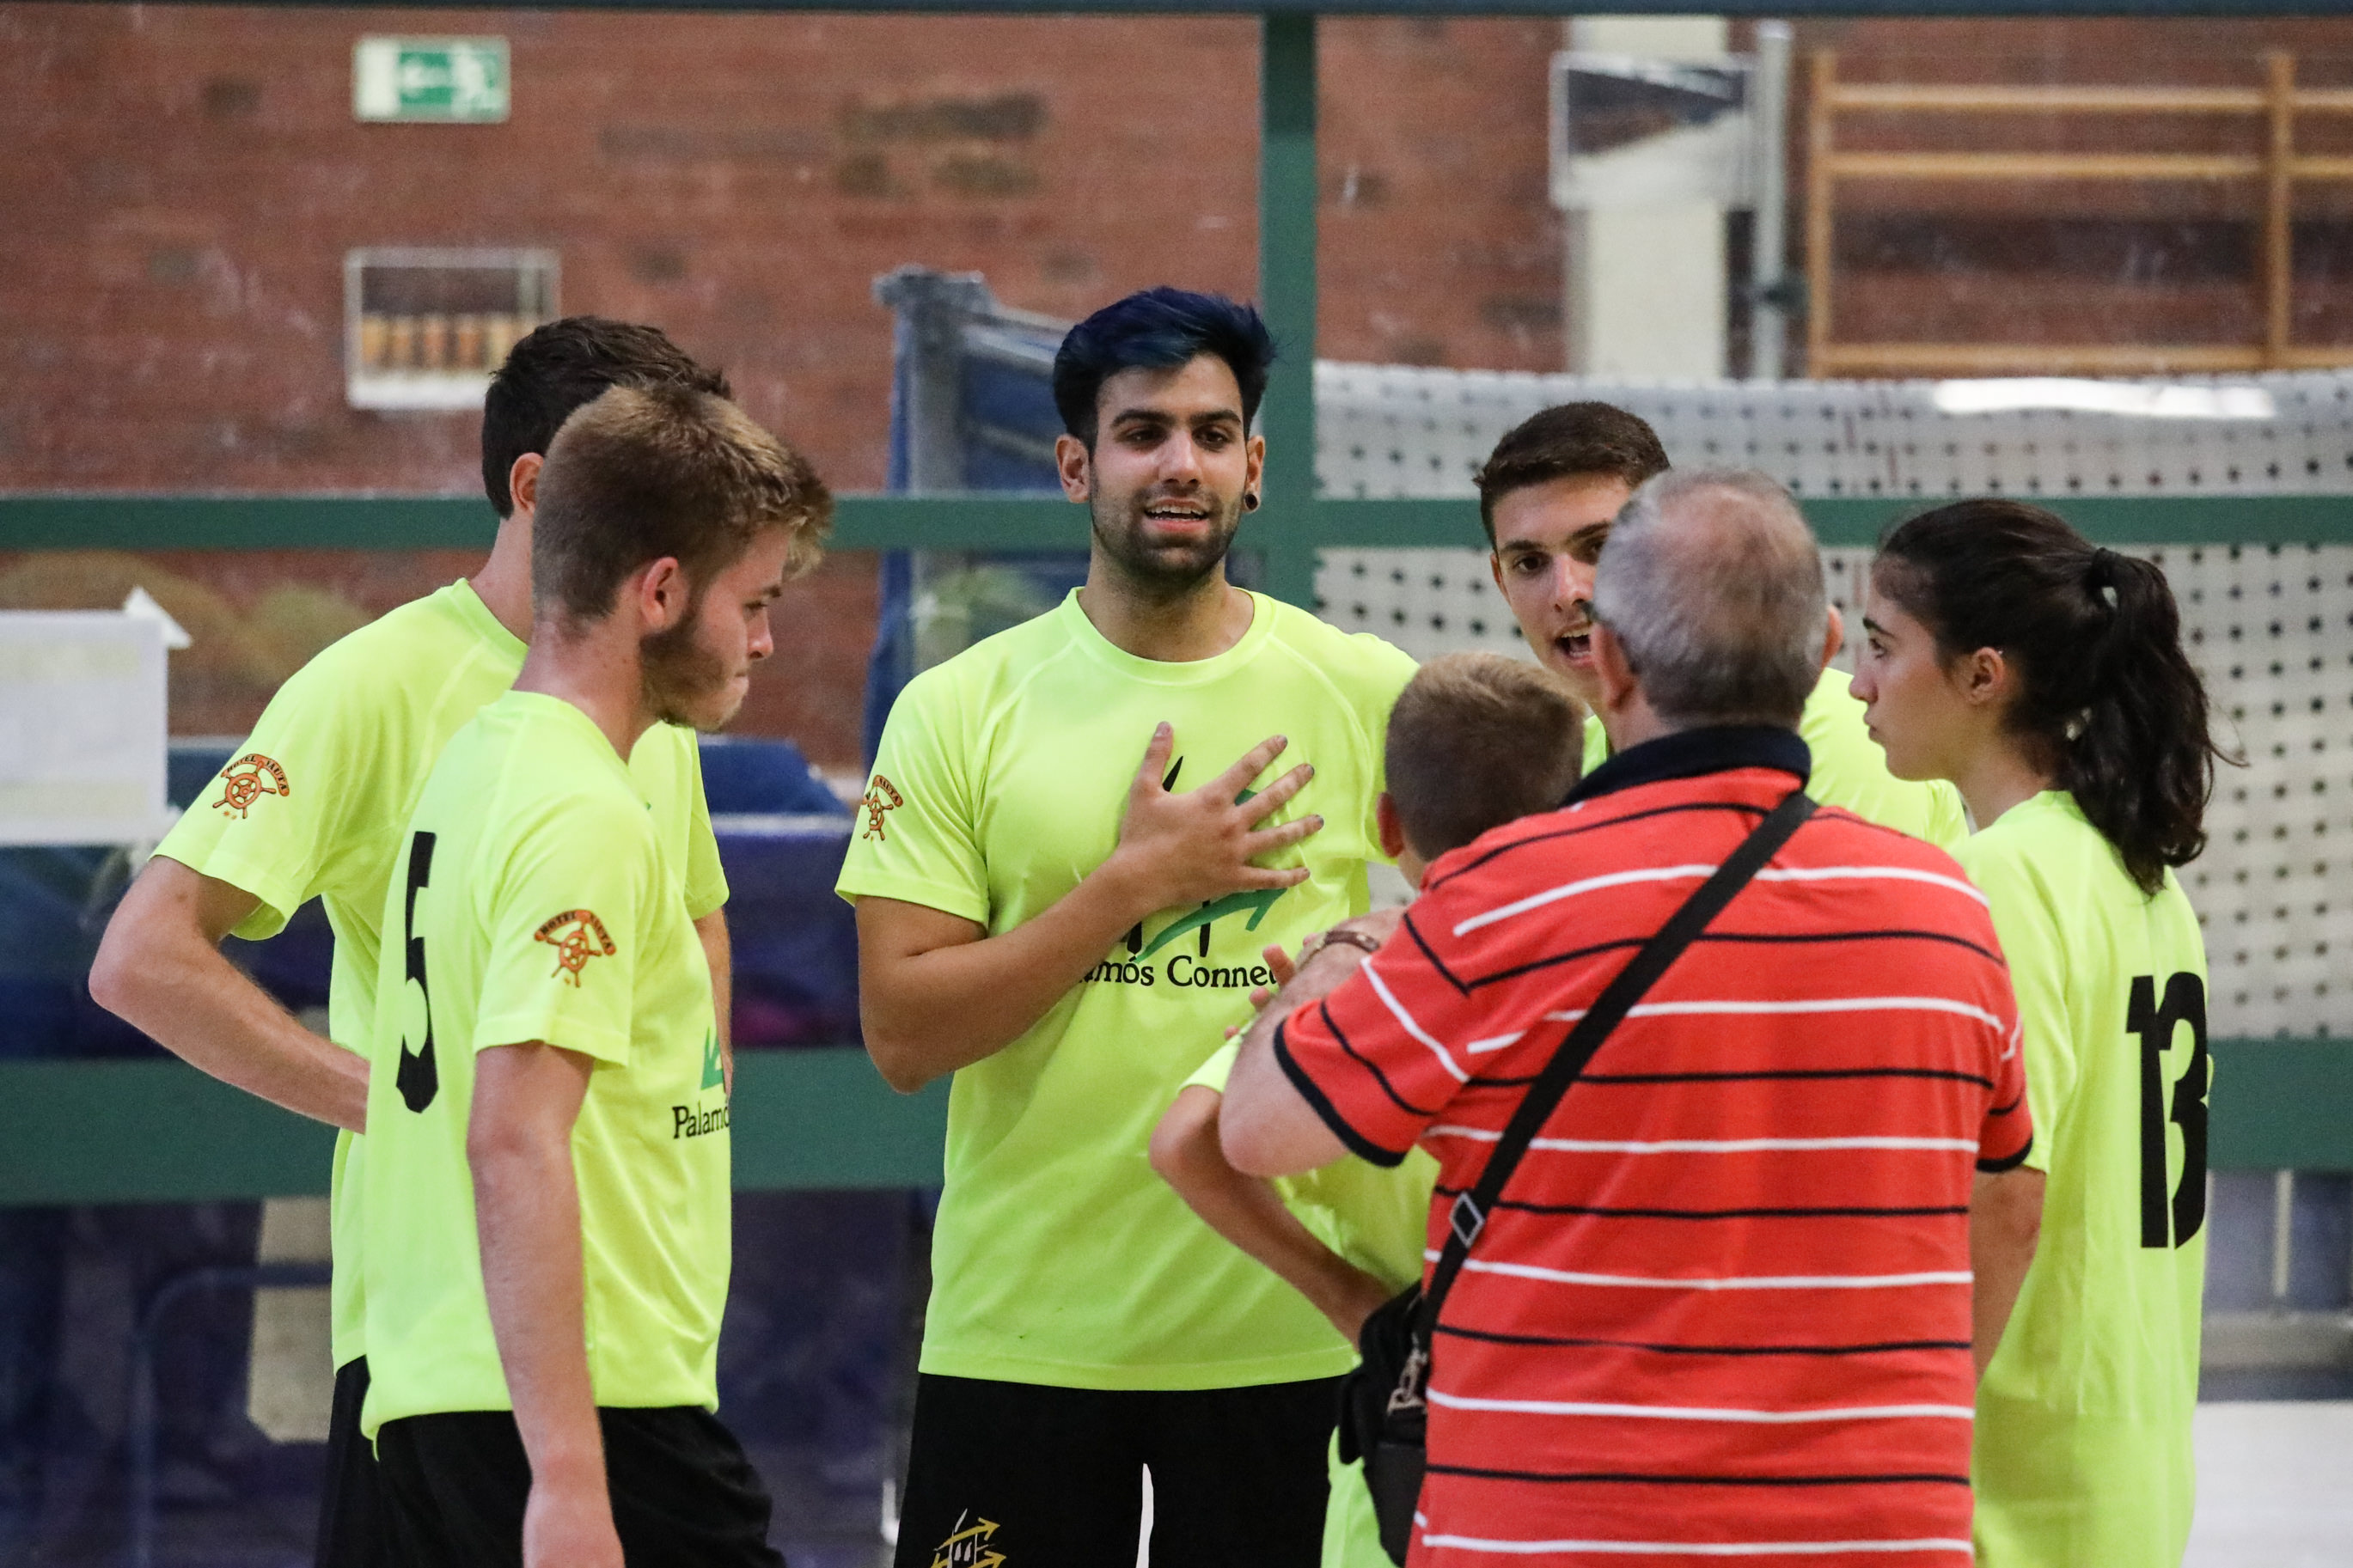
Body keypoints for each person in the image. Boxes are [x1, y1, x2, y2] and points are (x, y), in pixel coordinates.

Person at [1220, 468, 2041, 1564]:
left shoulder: (1501, 900)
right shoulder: (1944, 909)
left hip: (1559, 1534)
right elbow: (2009, 1199)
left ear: (1604, 661)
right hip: (1873, 1533)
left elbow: (1254, 1131)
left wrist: (1332, 960)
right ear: (1820, 650)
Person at [88, 317, 739, 1567]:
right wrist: (404, 1105)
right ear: (538, 486)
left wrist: (680, 1123)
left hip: (626, 1327)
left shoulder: (646, 687)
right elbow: (144, 955)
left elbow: (696, 914)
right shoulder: (373, 685)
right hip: (440, 1343)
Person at [838, 287, 1419, 1565]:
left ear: (1254, 467)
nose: (1180, 465)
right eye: (1142, 433)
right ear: (1074, 466)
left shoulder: (1367, 691)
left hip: (1288, 1334)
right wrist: (1127, 886)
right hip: (1024, 1334)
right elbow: (903, 1034)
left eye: (1211, 434)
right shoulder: (960, 709)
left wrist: (1368, 957)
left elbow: (1499, 935)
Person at [358, 383, 829, 1567]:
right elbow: (513, 1137)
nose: (764, 642)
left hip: (453, 1388)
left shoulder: (478, 762)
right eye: (753, 603)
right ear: (658, 593)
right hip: (588, 1414)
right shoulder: (583, 811)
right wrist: (569, 1481)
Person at [1150, 651, 1586, 1568]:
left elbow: (1185, 1142)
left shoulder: (1353, 990)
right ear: (1574, 816)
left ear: (1387, 824)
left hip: (1409, 1481)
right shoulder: (1627, 976)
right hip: (1593, 1456)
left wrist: (1356, 1303)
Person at [1849, 499, 2221, 1567]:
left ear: (1981, 675)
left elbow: (2006, 1195)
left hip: (2010, 1492)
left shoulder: (1998, 879)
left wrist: (1901, 1450)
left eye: (1881, 647)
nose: (1858, 683)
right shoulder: (2133, 871)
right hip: (2122, 1474)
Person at [1473, 401, 1967, 843]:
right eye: (1530, 564)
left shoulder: (1847, 732)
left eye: (1599, 548)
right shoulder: (1573, 773)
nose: (1567, 592)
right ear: (1500, 581)